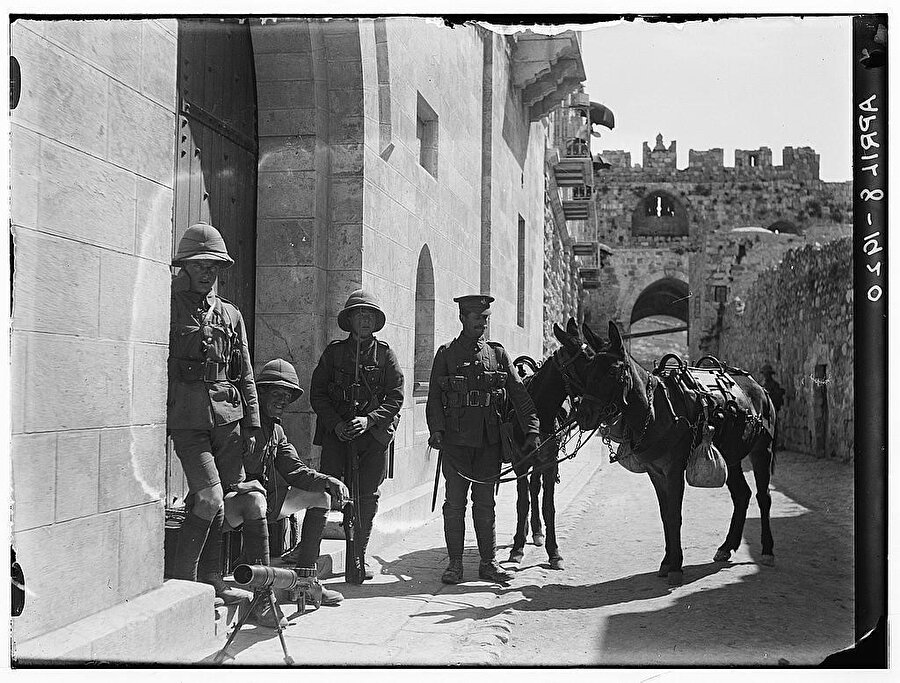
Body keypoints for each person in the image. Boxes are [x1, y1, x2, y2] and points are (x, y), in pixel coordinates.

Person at [167, 222, 259, 605]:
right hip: (187, 416)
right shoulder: (169, 304)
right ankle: (184, 581)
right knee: (208, 497)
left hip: (228, 419)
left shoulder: (230, 314)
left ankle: (211, 579)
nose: (208, 271)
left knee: (218, 498)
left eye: (214, 265)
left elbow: (246, 370)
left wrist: (252, 421)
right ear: (185, 266)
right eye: (200, 263)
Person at [224, 358, 349, 625]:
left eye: (288, 395)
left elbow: (296, 471)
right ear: (261, 392)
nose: (282, 400)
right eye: (276, 393)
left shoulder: (277, 431)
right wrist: (244, 485)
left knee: (321, 496)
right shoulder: (237, 423)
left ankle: (305, 581)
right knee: (255, 499)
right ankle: (261, 599)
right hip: (228, 508)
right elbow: (221, 471)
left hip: (263, 505)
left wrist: (328, 480)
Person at [426, 295, 541, 584]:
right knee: (454, 504)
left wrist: (532, 430)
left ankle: (488, 563)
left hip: (489, 444)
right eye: (477, 318)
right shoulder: (447, 354)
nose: (483, 323)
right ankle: (454, 565)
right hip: (455, 444)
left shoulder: (498, 355)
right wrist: (436, 430)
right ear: (463, 318)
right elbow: (434, 399)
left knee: (485, 503)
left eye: (486, 318)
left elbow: (520, 396)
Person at [309, 289, 404, 580]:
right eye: (359, 315)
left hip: (372, 438)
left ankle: (357, 558)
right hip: (338, 437)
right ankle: (308, 558)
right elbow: (318, 394)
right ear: (349, 320)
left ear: (376, 322)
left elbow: (396, 397)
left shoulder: (386, 355)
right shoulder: (334, 353)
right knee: (324, 493)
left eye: (369, 315)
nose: (364, 320)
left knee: (366, 498)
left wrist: (369, 420)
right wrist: (336, 424)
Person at [760, 363, 786, 449]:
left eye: (767, 374)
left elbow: (778, 398)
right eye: (765, 374)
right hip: (763, 412)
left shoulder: (775, 385)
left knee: (774, 428)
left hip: (772, 410)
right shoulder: (762, 386)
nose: (766, 375)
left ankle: (774, 443)